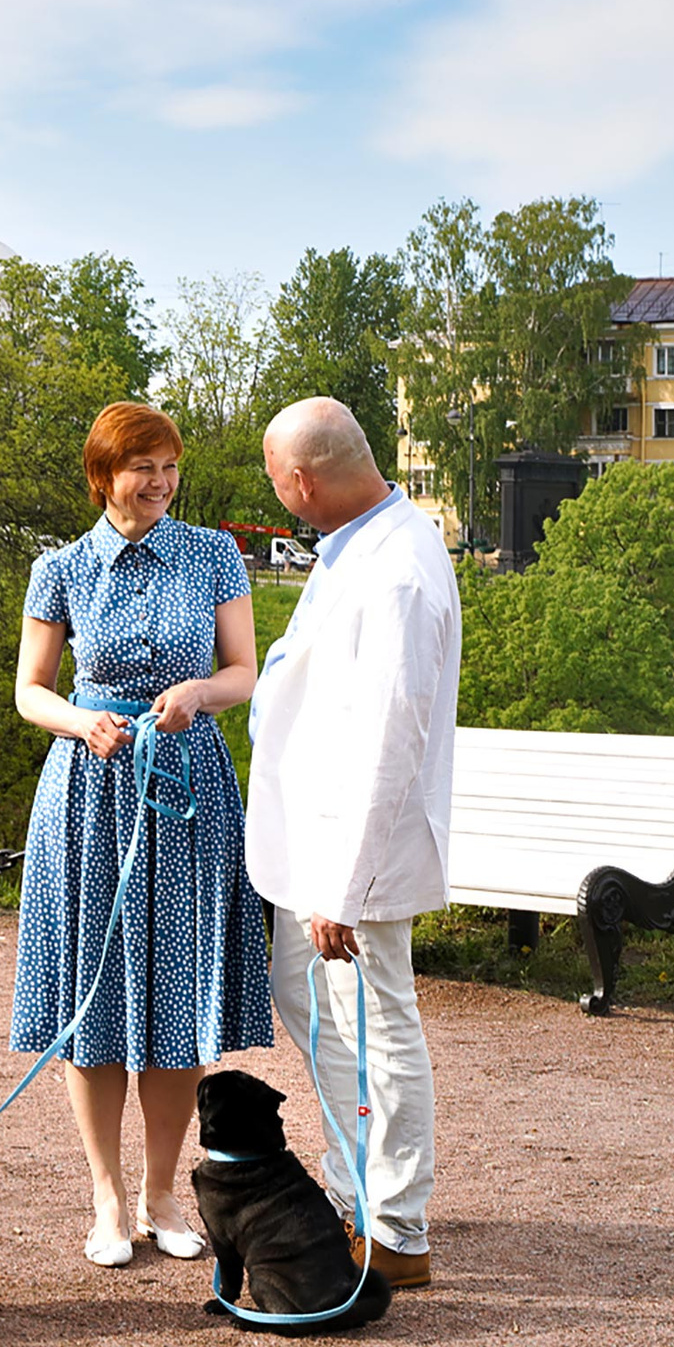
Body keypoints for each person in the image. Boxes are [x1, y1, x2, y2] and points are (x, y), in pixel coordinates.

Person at [12, 401, 271, 1269]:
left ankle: (163, 1192)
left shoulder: (211, 553)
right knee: (94, 1003)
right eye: (142, 468)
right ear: (103, 476)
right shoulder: (60, 567)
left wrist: (199, 693)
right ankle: (106, 1197)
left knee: (174, 997)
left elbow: (245, 669)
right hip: (90, 790)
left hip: (187, 787)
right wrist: (81, 721)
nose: (160, 483)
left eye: (169, 467)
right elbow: (30, 692)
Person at [246, 396, 461, 1289]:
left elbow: (393, 735)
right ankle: (353, 1193)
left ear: (302, 481)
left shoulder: (399, 571)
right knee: (318, 1011)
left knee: (380, 1026)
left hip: (351, 857)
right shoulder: (356, 548)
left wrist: (347, 883)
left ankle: (399, 1230)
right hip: (314, 846)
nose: (277, 496)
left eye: (275, 481)